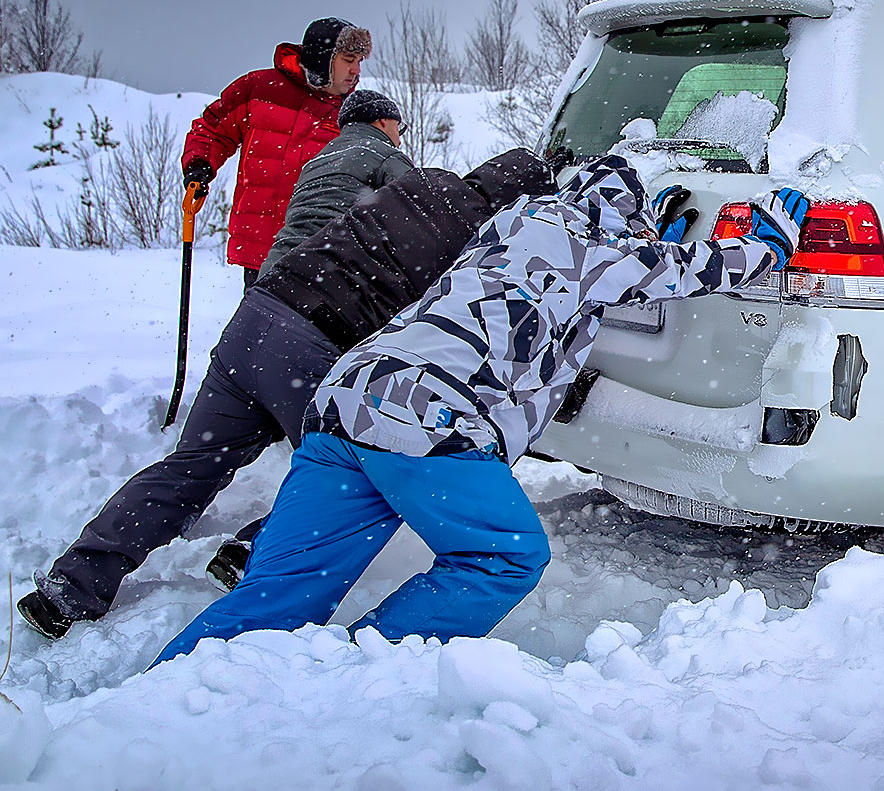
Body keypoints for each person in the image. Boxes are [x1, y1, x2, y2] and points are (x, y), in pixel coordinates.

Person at [152, 155, 810, 664]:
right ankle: (354, 675)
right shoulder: (598, 244)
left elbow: (563, 294)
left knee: (277, 593)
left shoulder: (508, 228)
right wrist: (769, 241)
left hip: (347, 397)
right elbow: (700, 269)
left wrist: (642, 245)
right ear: (621, 215)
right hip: (428, 418)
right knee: (506, 556)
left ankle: (163, 707)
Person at [16, 149, 559, 640]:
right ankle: (251, 556)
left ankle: (71, 584)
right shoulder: (486, 242)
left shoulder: (418, 184)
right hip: (317, 343)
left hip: (258, 316)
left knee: (192, 464)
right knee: (351, 470)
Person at [181, 17, 371, 287]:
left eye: (359, 61)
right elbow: (213, 130)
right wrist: (199, 165)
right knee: (260, 326)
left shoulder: (352, 113)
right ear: (323, 58)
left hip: (322, 250)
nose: (355, 70)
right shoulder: (259, 89)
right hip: (261, 245)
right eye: (349, 59)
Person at [259, 89, 414, 274]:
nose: (399, 140)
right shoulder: (385, 153)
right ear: (383, 121)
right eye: (399, 128)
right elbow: (419, 209)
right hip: (334, 269)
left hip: (276, 267)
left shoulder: (315, 162)